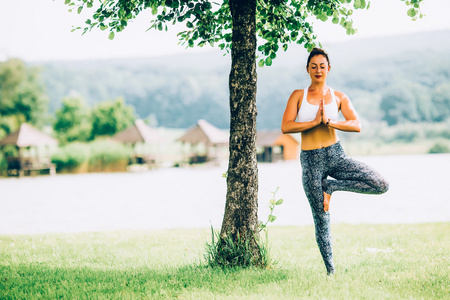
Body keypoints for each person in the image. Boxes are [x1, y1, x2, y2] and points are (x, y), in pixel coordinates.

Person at [281, 47, 389, 275]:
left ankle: (332, 186)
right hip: (311, 162)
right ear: (307, 70)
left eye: (322, 66)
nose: (318, 70)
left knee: (380, 184)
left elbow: (355, 124)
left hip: (336, 156)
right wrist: (313, 122)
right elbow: (286, 126)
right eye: (313, 66)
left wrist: (330, 122)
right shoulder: (298, 95)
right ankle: (331, 272)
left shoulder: (339, 97)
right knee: (321, 217)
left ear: (328, 69)